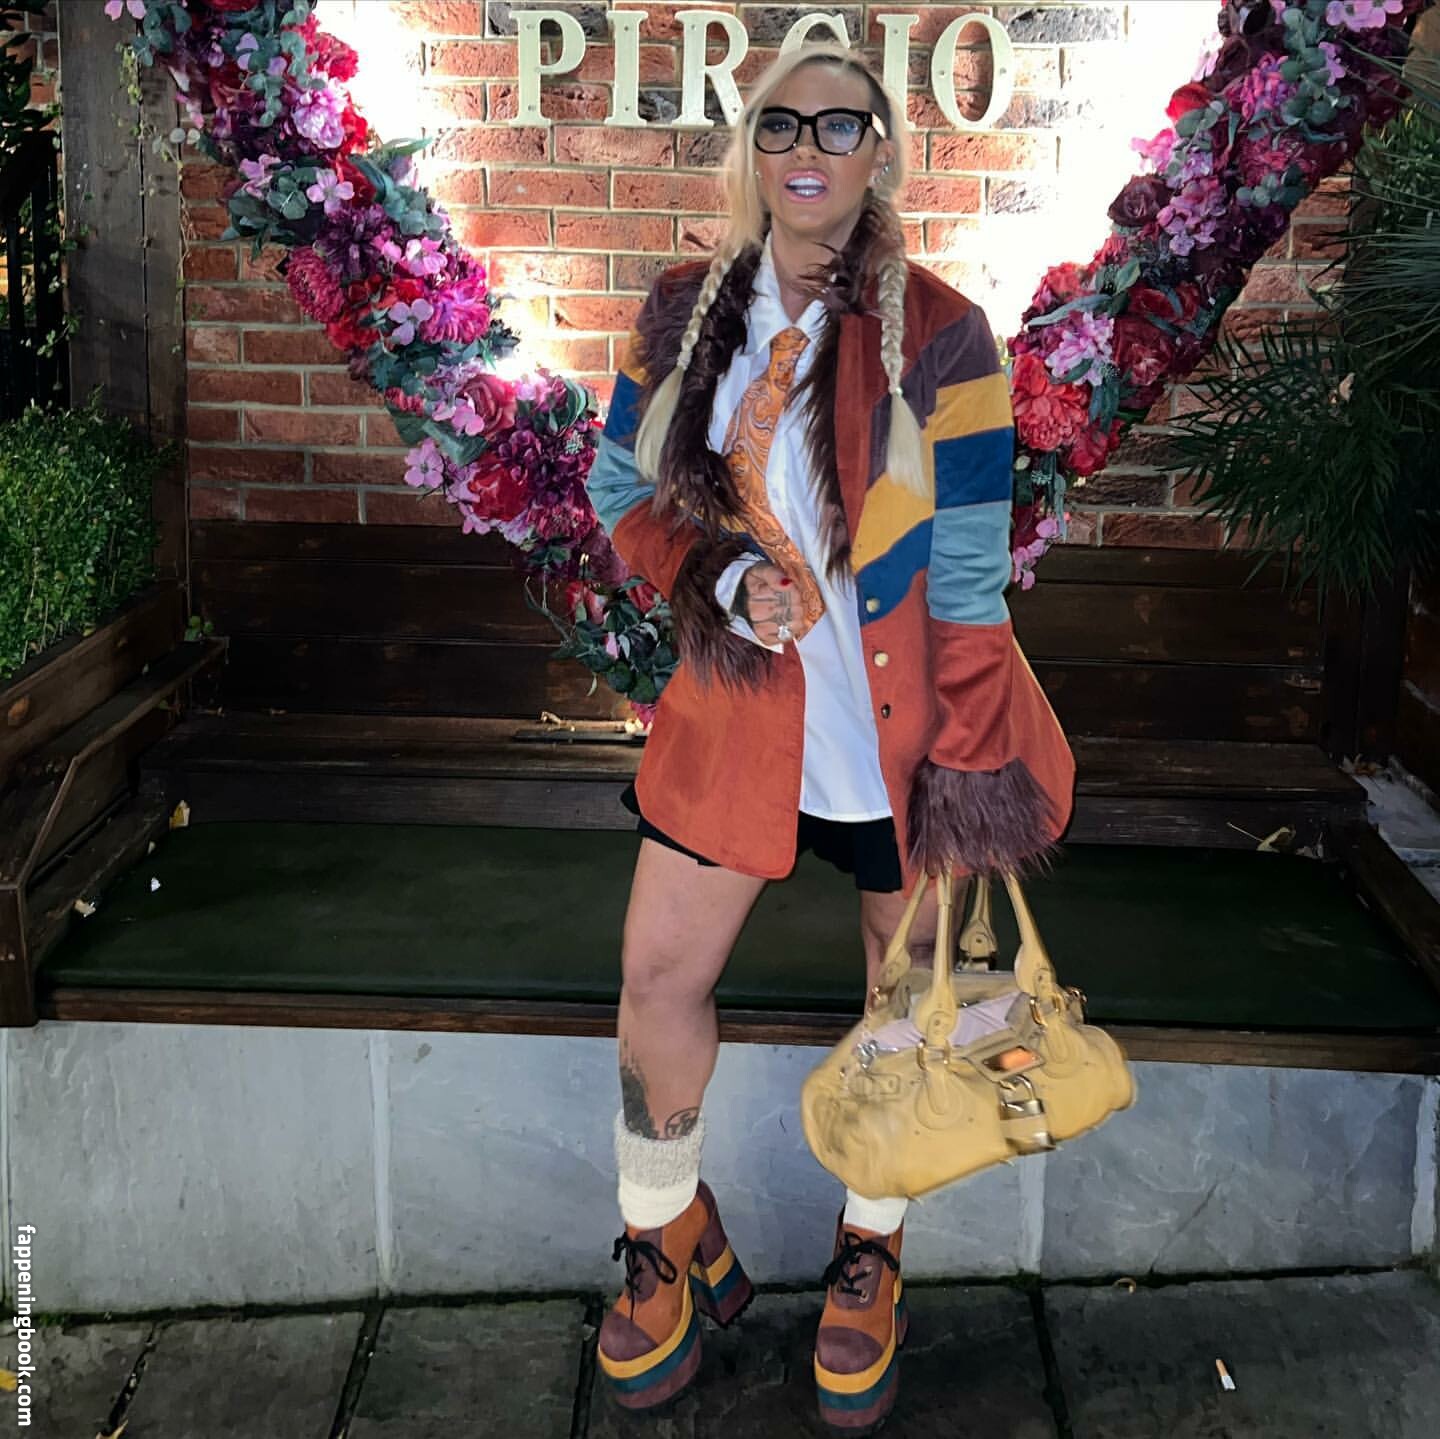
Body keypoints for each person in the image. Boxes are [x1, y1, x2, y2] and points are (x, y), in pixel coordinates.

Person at [583, 41, 1075, 1432]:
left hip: (898, 731)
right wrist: (723, 576)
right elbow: (622, 484)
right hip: (737, 714)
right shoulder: (678, 315)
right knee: (656, 977)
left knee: (901, 1001)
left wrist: (966, 761)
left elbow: (968, 578)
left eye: (840, 124)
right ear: (752, 148)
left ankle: (872, 1251)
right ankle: (662, 1234)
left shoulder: (947, 337)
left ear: (881, 152)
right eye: (782, 123)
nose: (809, 147)